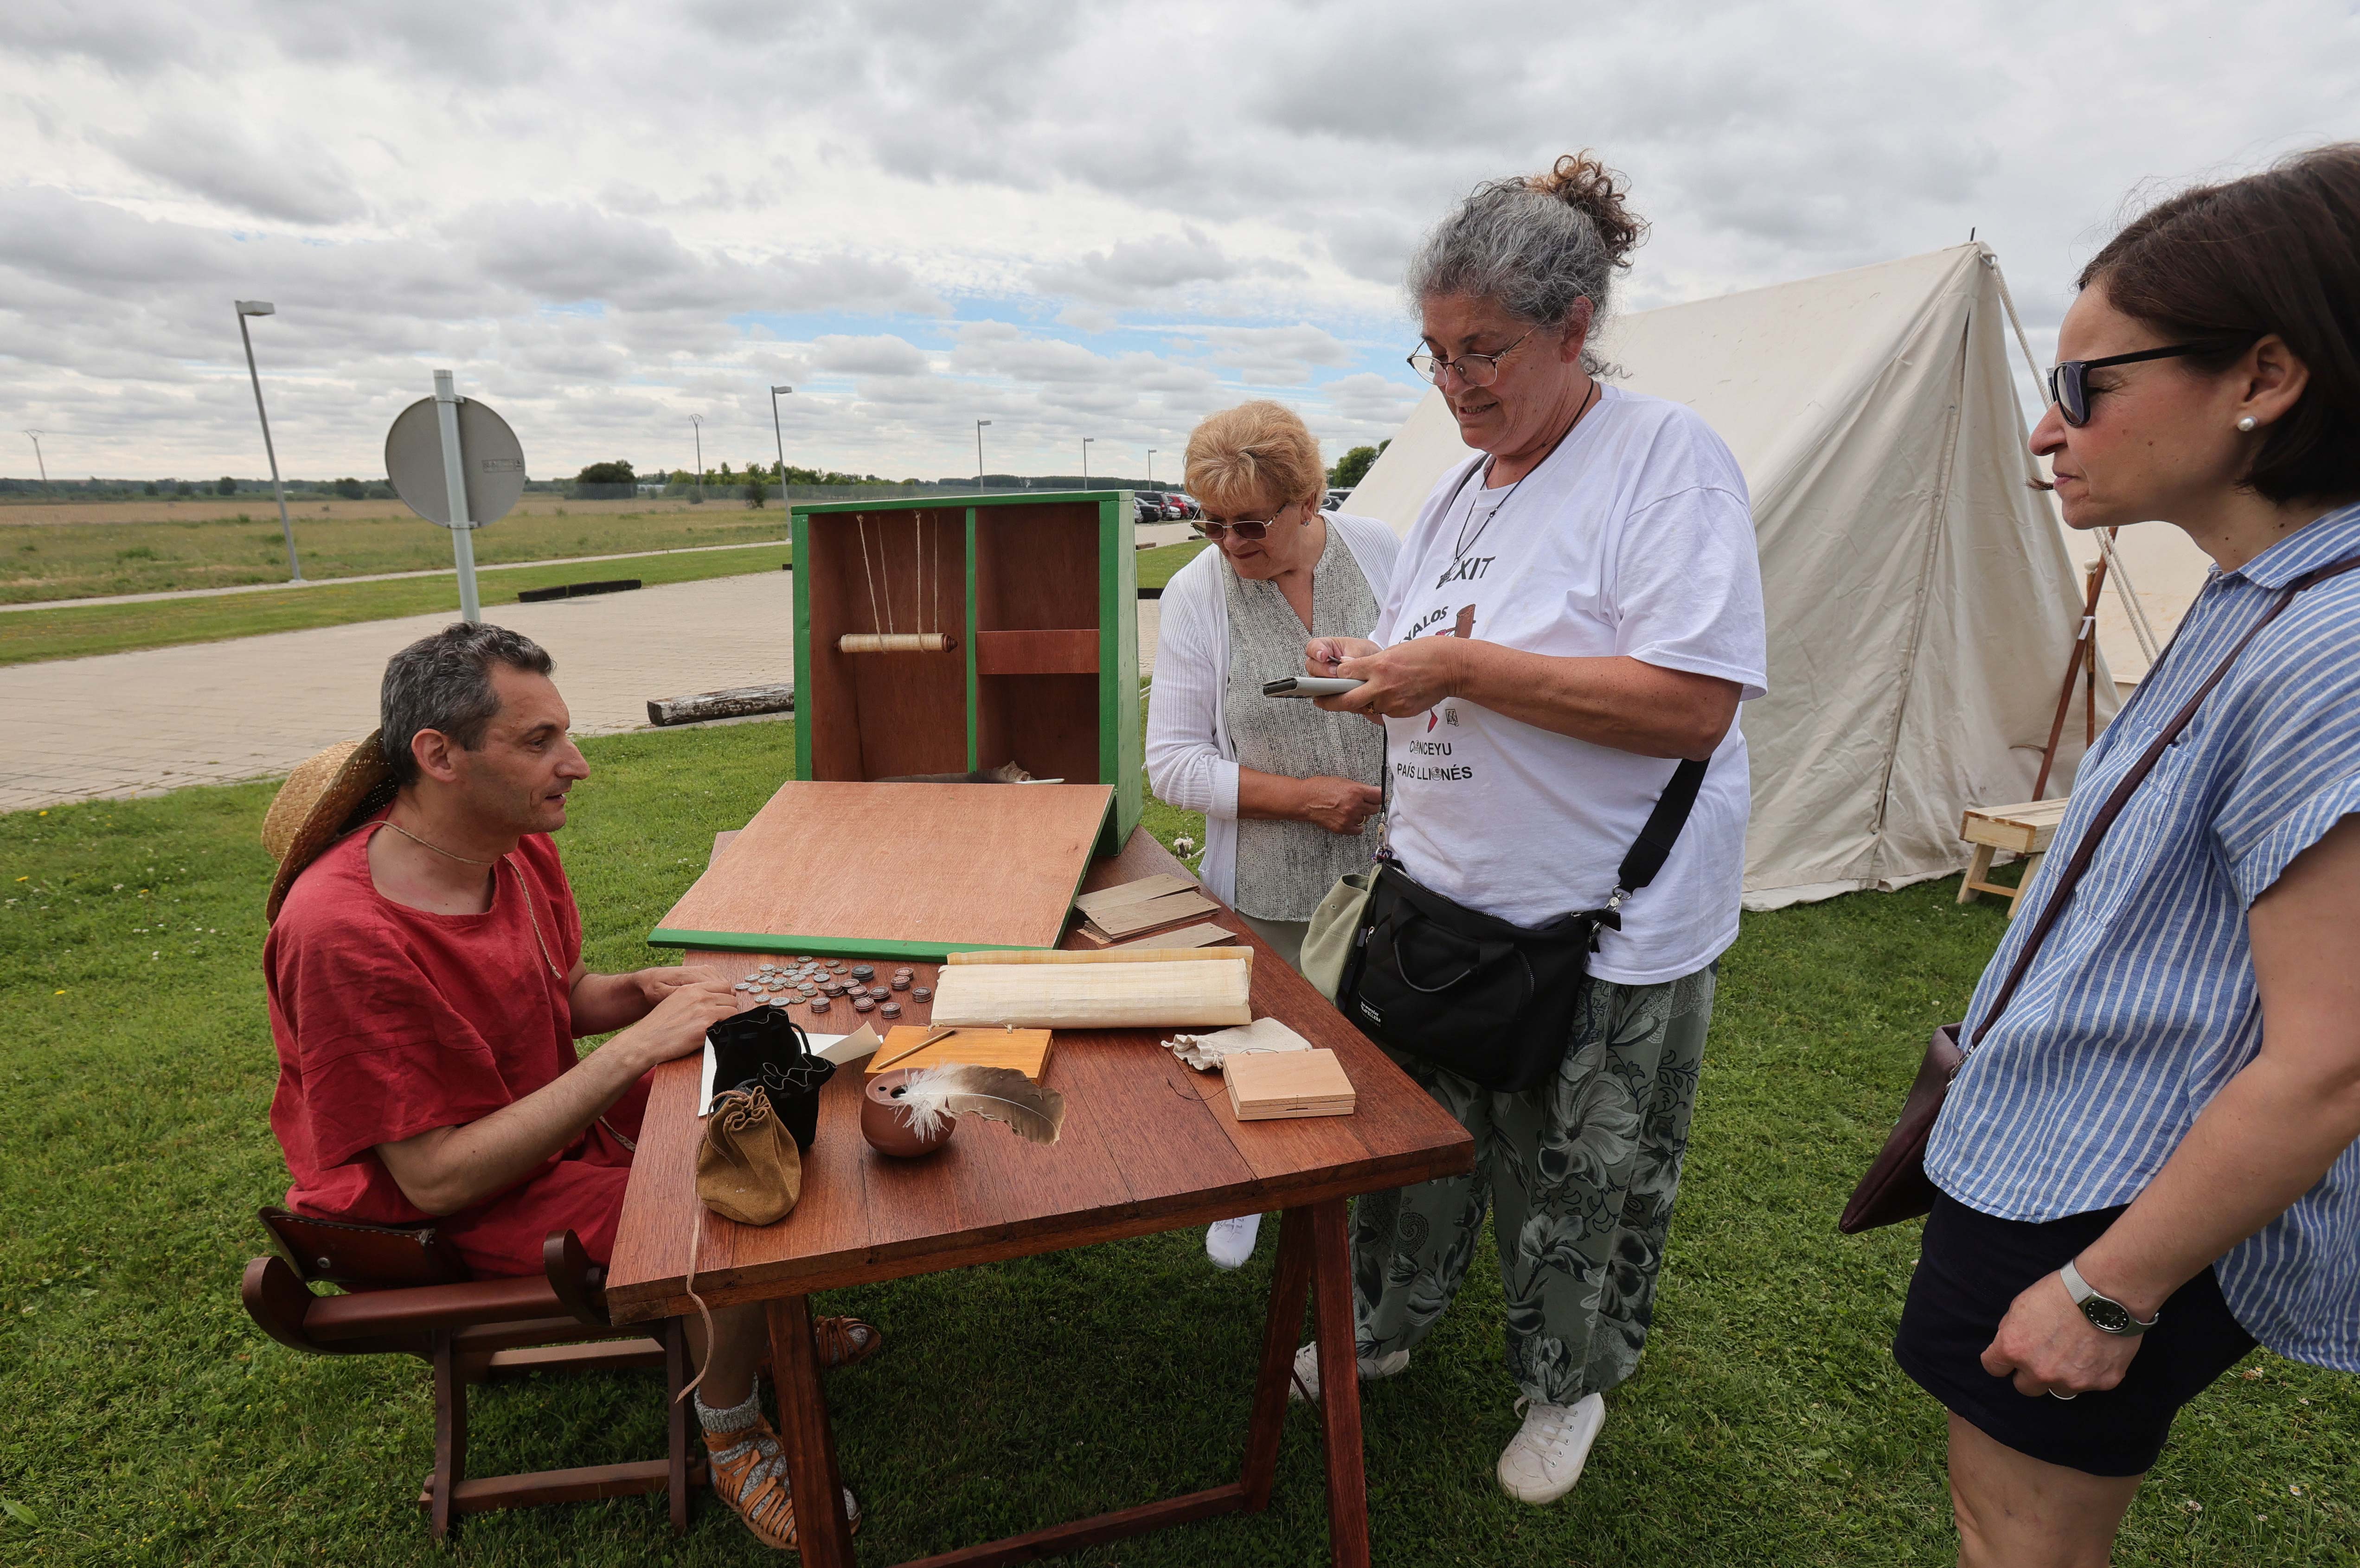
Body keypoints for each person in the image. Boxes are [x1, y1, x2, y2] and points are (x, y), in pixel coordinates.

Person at [1898, 144, 2360, 1568]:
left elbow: (2334, 1056)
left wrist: (2108, 1288)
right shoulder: (2261, 596)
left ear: (2264, 378)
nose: (2051, 430)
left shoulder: (2332, 641)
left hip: (2104, 1196)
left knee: (2020, 1539)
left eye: (2089, 384)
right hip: (2062, 1153)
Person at [1297, 154, 1767, 1505]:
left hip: (1603, 918)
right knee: (1422, 1143)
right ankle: (1386, 1321)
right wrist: (1369, 659)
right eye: (1435, 354)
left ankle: (1568, 1381)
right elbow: (1437, 648)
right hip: (1448, 897)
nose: (1454, 384)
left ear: (1574, 328)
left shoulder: (1665, 461)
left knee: (1584, 1177)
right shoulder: (1465, 485)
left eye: (1485, 350)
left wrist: (1459, 671)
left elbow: (1691, 703)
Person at [261, 622, 877, 1551]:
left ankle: (760, 1317)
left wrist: (632, 994)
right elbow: (433, 1176)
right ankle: (735, 1430)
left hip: (543, 1122)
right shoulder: (343, 932)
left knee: (777, 1093)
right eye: (537, 740)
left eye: (565, 733)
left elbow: (543, 998)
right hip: (441, 1204)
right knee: (731, 1200)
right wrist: (632, 1049)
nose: (576, 763)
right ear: (440, 755)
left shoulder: (509, 844)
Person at [1147, 400, 1399, 1269]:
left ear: (1308, 503)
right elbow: (1173, 765)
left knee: (1382, 1050)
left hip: (1402, 873)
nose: (1228, 544)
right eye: (1210, 523)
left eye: (1249, 525)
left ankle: (1370, 1202)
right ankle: (1252, 1188)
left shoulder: (1386, 554)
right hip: (1269, 883)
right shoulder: (1195, 594)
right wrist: (1303, 798)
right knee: (1266, 1049)